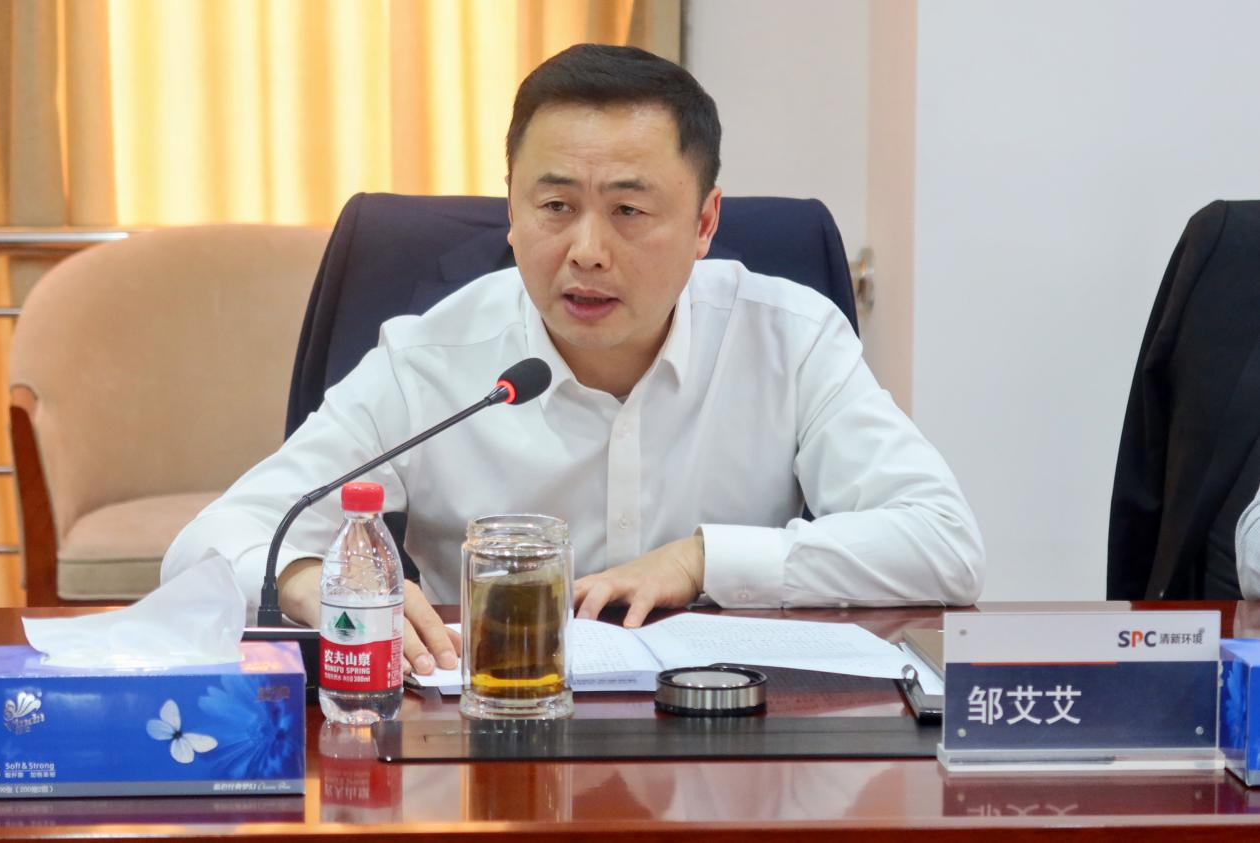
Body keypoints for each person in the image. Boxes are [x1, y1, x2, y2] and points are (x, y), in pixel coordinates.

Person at [163, 43, 985, 676]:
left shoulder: (790, 339)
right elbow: (207, 545)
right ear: (512, 209)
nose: (587, 250)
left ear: (705, 223)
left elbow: (945, 544)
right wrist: (307, 579)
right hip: (491, 743)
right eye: (556, 205)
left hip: (731, 749)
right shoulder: (430, 361)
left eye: (629, 210)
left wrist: (703, 557)